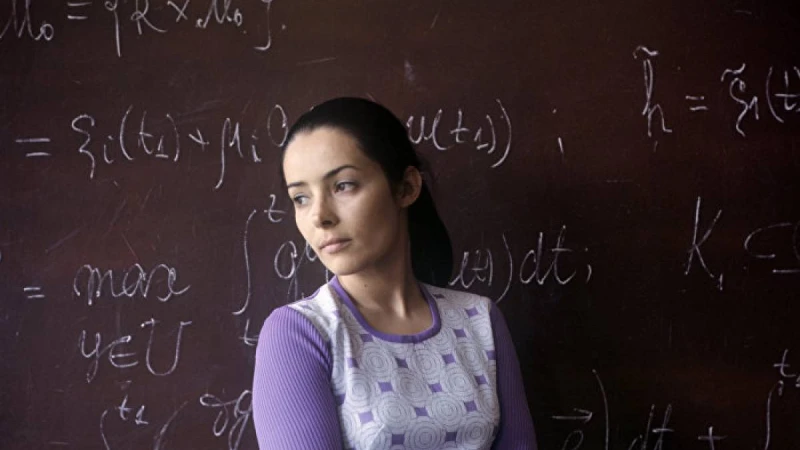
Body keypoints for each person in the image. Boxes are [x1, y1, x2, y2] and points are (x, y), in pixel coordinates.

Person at [252, 97, 537, 449]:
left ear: (406, 187)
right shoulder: (301, 334)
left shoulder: (480, 319)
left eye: (343, 185)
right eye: (301, 198)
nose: (319, 216)